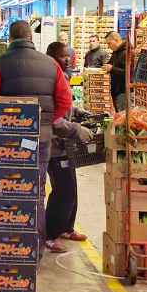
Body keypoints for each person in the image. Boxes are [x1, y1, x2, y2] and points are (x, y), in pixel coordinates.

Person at [0, 21, 73, 257]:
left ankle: (3, 244)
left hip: (6, 139)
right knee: (37, 191)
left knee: (5, 189)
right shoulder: (51, 64)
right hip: (41, 140)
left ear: (11, 38)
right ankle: (36, 247)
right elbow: (65, 101)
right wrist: (46, 122)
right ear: (31, 37)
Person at [44, 41, 95, 252]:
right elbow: (54, 117)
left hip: (65, 145)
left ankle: (66, 227)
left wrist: (78, 112)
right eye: (64, 56)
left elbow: (64, 106)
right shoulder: (50, 78)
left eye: (68, 56)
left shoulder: (62, 76)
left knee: (71, 189)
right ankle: (50, 234)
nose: (68, 59)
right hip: (55, 145)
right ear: (53, 56)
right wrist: (75, 128)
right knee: (62, 191)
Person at [103, 32, 128, 111]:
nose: (108, 46)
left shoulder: (127, 52)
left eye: (109, 43)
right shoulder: (116, 52)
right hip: (116, 92)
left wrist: (112, 69)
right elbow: (110, 64)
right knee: (118, 115)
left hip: (123, 92)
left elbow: (130, 73)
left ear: (116, 39)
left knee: (122, 116)